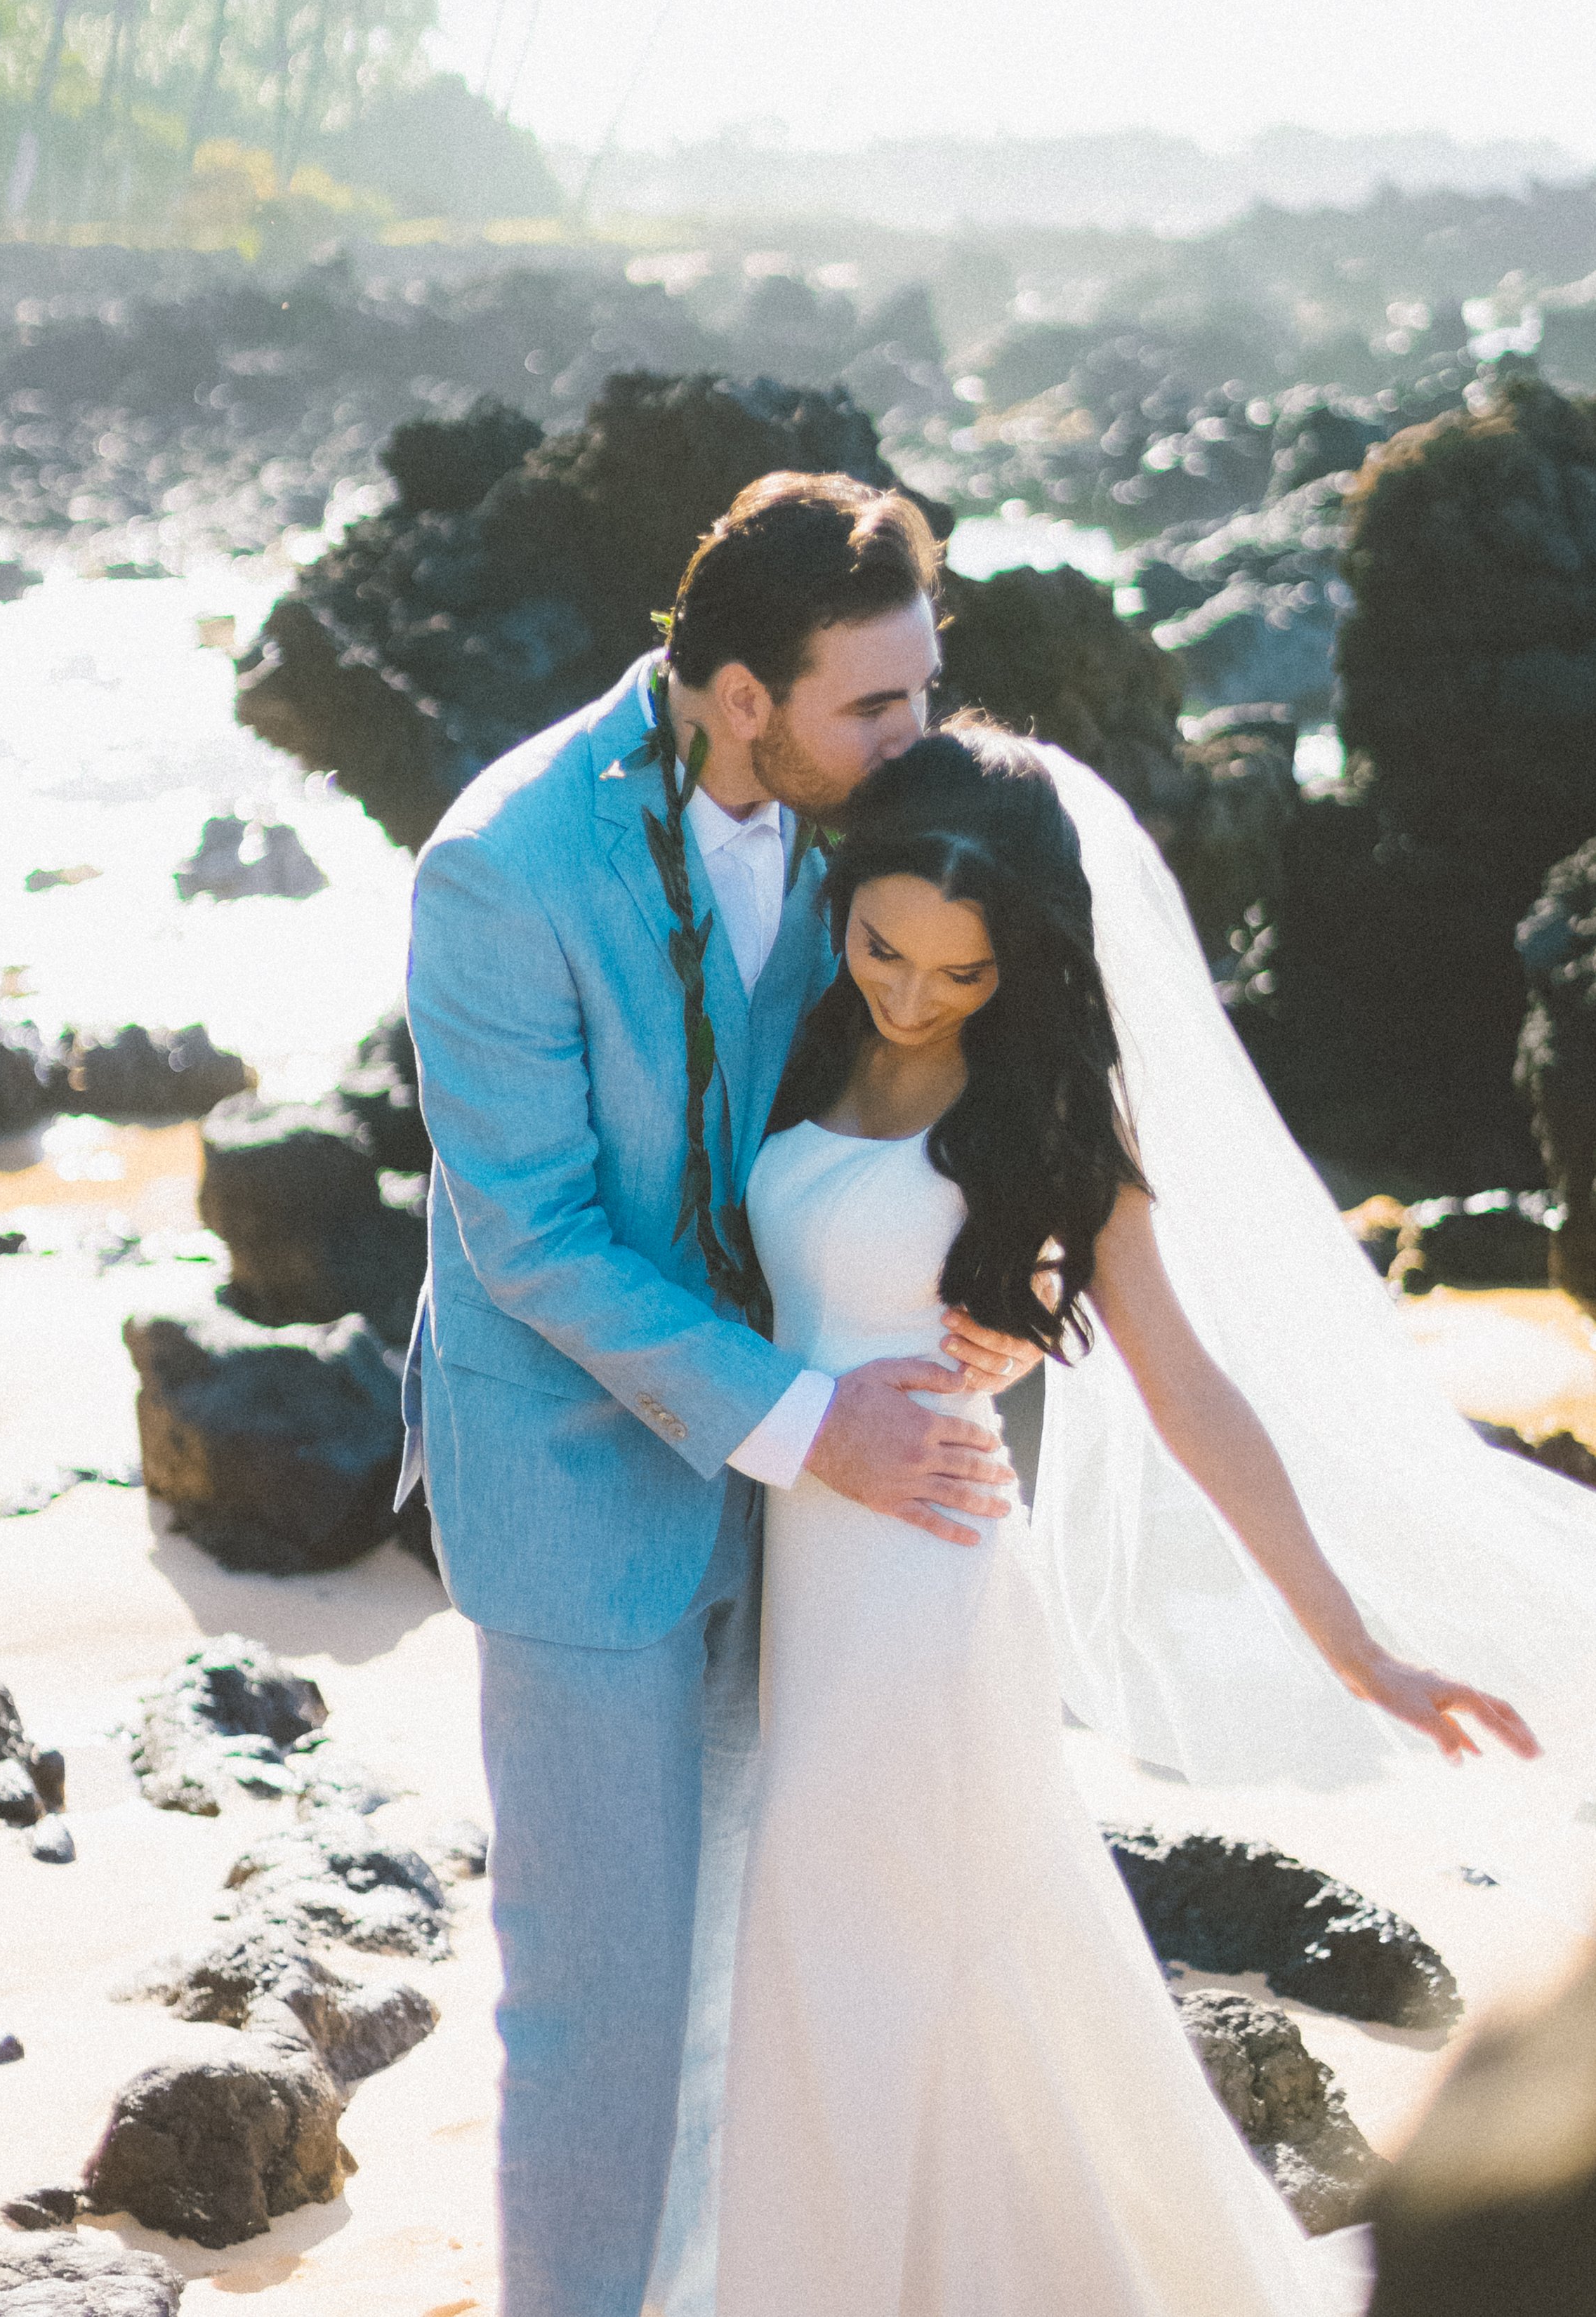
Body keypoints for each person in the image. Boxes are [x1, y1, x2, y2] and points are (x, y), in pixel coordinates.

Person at [715, 720, 1540, 2317]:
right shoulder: (794, 1041)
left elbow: (1189, 1390)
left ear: (1016, 968)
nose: (908, 993)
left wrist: (1357, 1648)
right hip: (782, 1576)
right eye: (883, 947)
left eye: (957, 976)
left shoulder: (1053, 1119)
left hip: (927, 1602)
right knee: (871, 1976)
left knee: (877, 1960)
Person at [400, 473, 1038, 2317]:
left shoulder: (881, 823)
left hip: (822, 1513)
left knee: (774, 1971)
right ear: (738, 692)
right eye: (879, 703)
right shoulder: (501, 866)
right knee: (595, 2012)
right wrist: (805, 1417)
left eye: (928, 688)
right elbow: (528, 1237)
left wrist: (1019, 1273)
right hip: (579, 1494)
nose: (920, 737)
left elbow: (1008, 1047)